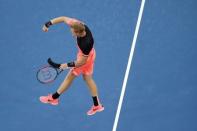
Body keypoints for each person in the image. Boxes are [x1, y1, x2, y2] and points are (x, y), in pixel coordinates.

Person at [39, 16, 104, 116]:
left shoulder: (86, 43)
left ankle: (53, 98)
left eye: (73, 32)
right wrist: (48, 24)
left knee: (70, 77)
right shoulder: (78, 25)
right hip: (91, 55)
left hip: (84, 59)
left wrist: (66, 65)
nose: (71, 33)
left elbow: (81, 62)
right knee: (88, 79)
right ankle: (97, 105)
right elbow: (63, 18)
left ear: (78, 33)